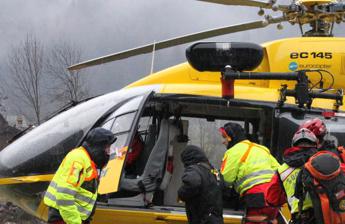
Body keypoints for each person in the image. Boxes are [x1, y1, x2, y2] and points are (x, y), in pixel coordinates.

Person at [44, 127, 116, 224]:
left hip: (72, 217)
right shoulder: (78, 159)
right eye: (107, 148)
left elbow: (84, 188)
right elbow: (64, 196)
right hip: (65, 218)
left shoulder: (88, 160)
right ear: (98, 147)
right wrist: (75, 222)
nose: (108, 152)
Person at [219, 122, 279, 224]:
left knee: (253, 220)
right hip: (274, 195)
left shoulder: (233, 151)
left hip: (256, 196)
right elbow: (280, 170)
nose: (223, 141)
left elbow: (227, 179)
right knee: (271, 220)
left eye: (225, 138)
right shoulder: (262, 148)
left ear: (232, 138)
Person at [267, 128, 318, 224]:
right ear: (315, 145)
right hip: (325, 217)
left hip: (300, 218)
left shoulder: (282, 170)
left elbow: (271, 199)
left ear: (293, 145)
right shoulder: (323, 161)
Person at [178, 145, 224, 224]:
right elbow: (224, 186)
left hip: (203, 220)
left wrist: (181, 194)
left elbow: (193, 182)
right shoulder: (214, 171)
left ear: (188, 158)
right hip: (217, 219)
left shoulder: (194, 169)